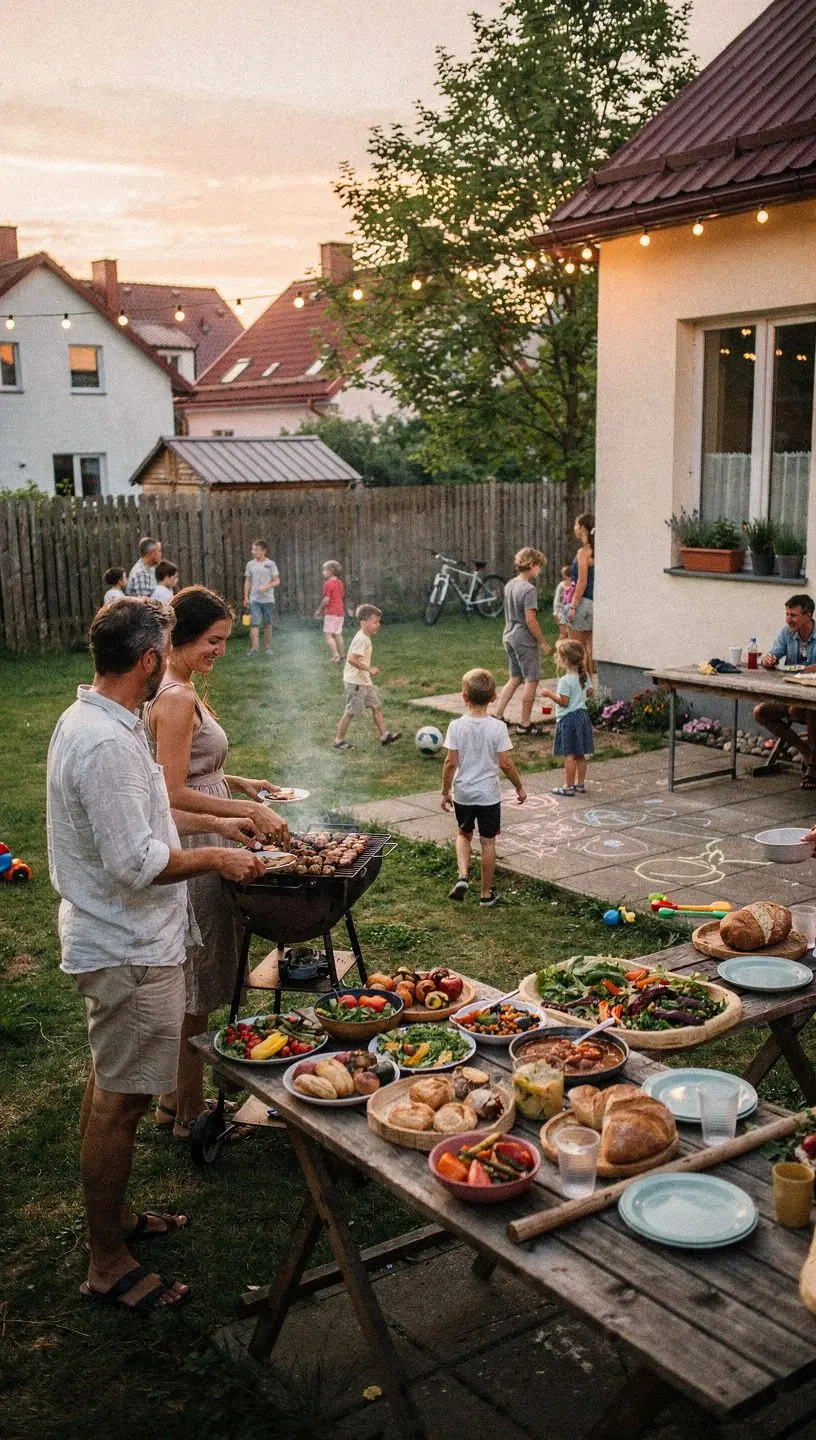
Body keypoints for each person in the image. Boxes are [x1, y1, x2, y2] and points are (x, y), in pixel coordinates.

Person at [46, 598, 265, 1314]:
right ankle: (107, 1262)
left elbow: (154, 812)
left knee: (110, 1087)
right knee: (122, 1104)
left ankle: (115, 1220)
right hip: (128, 946)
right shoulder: (107, 743)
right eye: (162, 654)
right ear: (146, 660)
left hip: (122, 940)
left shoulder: (96, 720)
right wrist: (220, 860)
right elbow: (136, 860)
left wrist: (229, 818)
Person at [145, 586, 289, 1140]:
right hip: (198, 845)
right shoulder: (176, 698)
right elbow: (172, 792)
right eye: (213, 640)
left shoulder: (179, 688)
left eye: (225, 640)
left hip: (209, 830)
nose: (221, 651)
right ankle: (188, 1113)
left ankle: (173, 1100)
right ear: (181, 637)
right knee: (199, 989)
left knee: (199, 981)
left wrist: (239, 782)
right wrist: (245, 810)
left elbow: (194, 771)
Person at [441, 668, 526, 908]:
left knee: (463, 834)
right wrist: (519, 787)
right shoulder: (497, 728)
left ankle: (462, 876)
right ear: (494, 697)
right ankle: (486, 894)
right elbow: (506, 764)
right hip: (488, 795)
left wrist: (445, 791)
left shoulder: (456, 726)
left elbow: (450, 763)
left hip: (464, 794)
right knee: (488, 842)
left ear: (464, 697)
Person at [755, 594, 816, 788]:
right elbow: (774, 653)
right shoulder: (787, 633)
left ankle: (813, 767)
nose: (788, 619)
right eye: (787, 615)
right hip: (790, 694)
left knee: (809, 710)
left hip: (812, 698)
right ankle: (807, 752)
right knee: (760, 712)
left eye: (793, 615)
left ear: (808, 615)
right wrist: (769, 659)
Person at [493, 547, 553, 735]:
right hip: (523, 639)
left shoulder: (510, 584)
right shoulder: (529, 589)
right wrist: (543, 642)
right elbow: (530, 620)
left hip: (509, 636)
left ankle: (497, 716)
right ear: (532, 565)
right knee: (532, 679)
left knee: (515, 678)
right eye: (539, 566)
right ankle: (525, 724)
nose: (540, 570)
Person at [334, 604, 401, 750]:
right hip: (355, 683)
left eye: (378, 622)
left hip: (364, 681)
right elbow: (351, 659)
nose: (378, 625)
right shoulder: (361, 639)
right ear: (363, 623)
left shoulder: (365, 638)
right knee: (351, 712)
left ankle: (384, 736)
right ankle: (338, 740)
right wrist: (369, 669)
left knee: (376, 706)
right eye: (375, 622)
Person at [541, 638, 594, 796]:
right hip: (582, 716)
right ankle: (580, 784)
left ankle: (568, 787)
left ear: (564, 660)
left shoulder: (565, 680)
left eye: (558, 655)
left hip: (568, 719)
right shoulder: (584, 676)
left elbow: (564, 702)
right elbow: (590, 693)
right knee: (580, 754)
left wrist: (549, 694)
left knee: (569, 755)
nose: (556, 657)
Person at [567, 512, 595, 677]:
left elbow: (582, 581)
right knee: (587, 649)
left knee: (576, 649)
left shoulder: (583, 552)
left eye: (576, 525)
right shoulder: (596, 550)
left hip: (583, 603)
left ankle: (579, 686)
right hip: (593, 603)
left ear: (583, 528)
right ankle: (589, 687)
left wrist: (573, 606)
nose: (574, 528)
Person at [243, 538, 280, 657]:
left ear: (264, 551)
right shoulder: (250, 564)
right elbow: (247, 581)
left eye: (256, 550)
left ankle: (268, 648)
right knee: (254, 623)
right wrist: (246, 597)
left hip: (268, 599)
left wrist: (267, 586)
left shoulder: (271, 564)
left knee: (267, 624)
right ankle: (254, 649)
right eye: (253, 549)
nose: (253, 552)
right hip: (254, 599)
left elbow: (277, 581)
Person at [314, 559, 346, 661]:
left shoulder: (328, 583)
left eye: (324, 570)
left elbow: (327, 599)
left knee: (328, 635)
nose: (323, 572)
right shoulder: (340, 583)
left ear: (331, 571)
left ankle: (335, 655)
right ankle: (342, 654)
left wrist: (319, 610)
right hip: (340, 612)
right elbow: (341, 595)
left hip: (332, 612)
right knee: (338, 633)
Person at [552, 565, 573, 641]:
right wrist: (555, 613)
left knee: (570, 634)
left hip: (571, 612)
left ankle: (568, 647)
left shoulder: (574, 585)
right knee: (564, 633)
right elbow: (556, 600)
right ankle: (559, 648)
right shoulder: (561, 585)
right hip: (561, 612)